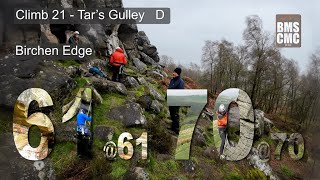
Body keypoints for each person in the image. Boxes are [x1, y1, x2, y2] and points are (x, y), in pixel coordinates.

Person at [168, 67, 185, 134]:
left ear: (178, 73)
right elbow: (169, 88)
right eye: (173, 72)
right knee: (172, 113)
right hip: (171, 99)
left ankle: (176, 129)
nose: (173, 73)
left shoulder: (181, 82)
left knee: (175, 114)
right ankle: (173, 127)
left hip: (176, 100)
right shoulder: (172, 80)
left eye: (175, 72)